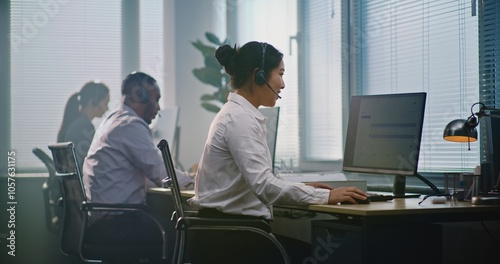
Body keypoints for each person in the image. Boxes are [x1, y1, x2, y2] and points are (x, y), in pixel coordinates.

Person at [187, 41, 368, 264]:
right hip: (231, 238)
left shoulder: (238, 114)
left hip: (227, 233)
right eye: (280, 74)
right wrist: (327, 196)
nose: (282, 84)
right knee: (328, 257)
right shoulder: (239, 119)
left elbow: (258, 178)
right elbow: (263, 185)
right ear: (259, 75)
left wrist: (303, 188)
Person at [82, 71, 194, 248]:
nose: (157, 108)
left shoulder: (113, 119)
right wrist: (196, 180)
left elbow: (145, 175)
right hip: (115, 224)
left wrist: (183, 178)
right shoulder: (130, 124)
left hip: (102, 220)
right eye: (155, 99)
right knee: (181, 233)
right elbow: (162, 174)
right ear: (138, 95)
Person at [57, 81, 110, 168]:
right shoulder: (85, 126)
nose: (107, 108)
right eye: (105, 103)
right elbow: (93, 161)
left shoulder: (77, 123)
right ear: (93, 102)